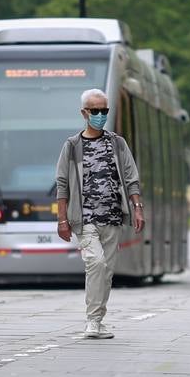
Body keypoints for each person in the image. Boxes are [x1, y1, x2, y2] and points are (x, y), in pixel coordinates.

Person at [54, 88, 145, 340]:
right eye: (95, 111)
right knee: (96, 263)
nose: (101, 115)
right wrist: (62, 219)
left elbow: (131, 178)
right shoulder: (72, 146)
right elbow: (62, 184)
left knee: (106, 272)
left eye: (104, 110)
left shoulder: (117, 143)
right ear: (84, 113)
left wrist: (137, 209)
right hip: (85, 220)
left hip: (113, 218)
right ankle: (92, 321)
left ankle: (99, 319)